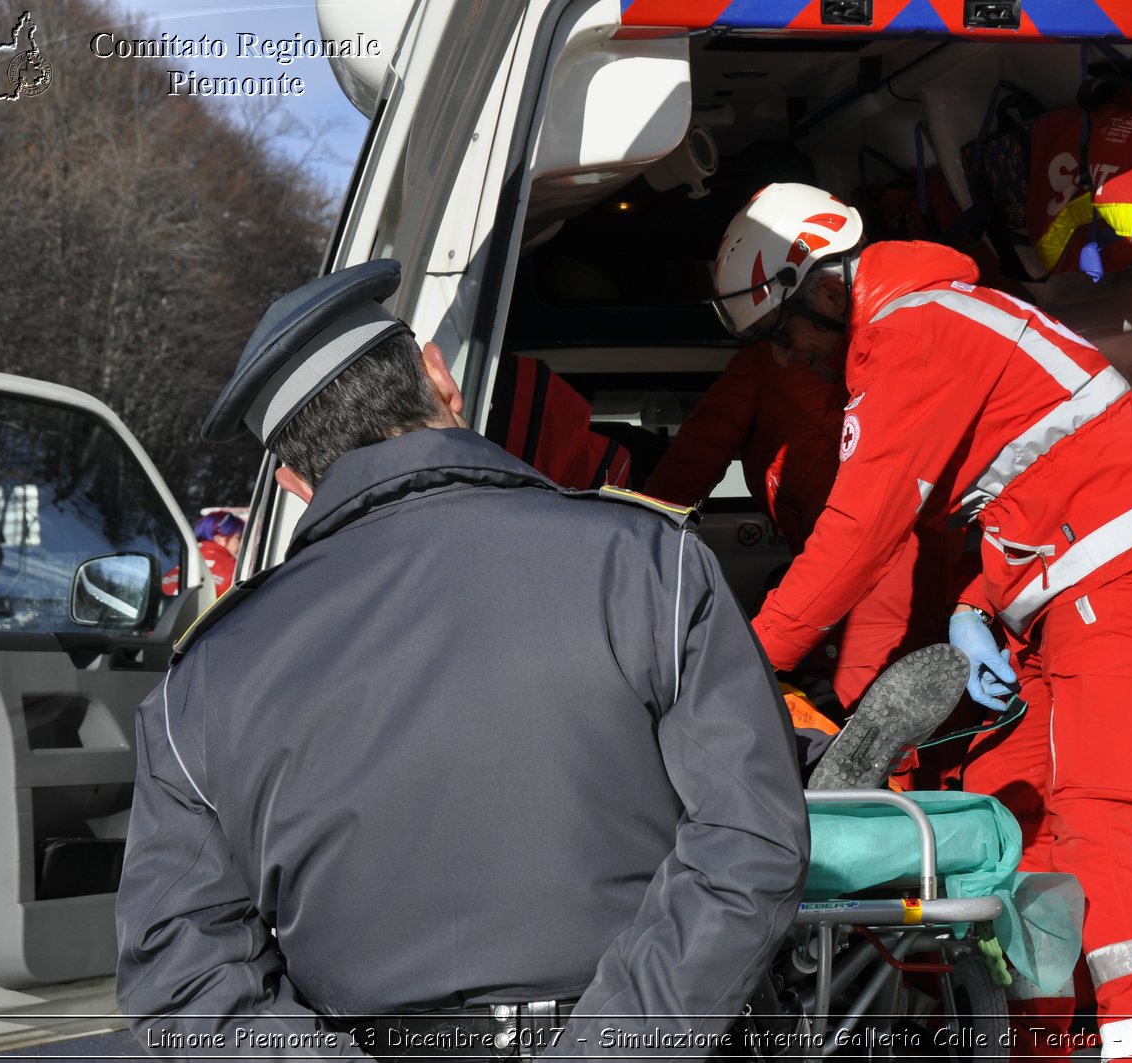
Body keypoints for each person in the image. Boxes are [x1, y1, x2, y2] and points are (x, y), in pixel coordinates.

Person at [115, 260, 811, 1060]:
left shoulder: (204, 677)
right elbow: (749, 839)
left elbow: (179, 964)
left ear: (295, 480)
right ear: (440, 377)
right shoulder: (649, 563)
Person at [710, 184, 1132, 1062]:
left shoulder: (915, 333)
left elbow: (858, 536)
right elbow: (1017, 478)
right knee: (1022, 817)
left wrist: (743, 663)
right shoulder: (919, 329)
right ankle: (1045, 1043)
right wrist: (980, 608)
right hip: (1060, 584)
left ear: (826, 289)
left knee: (1098, 819)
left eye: (782, 332)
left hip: (1118, 573)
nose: (786, 358)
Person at [642, 340, 961, 713]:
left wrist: (634, 553)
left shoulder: (765, 363)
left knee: (867, 739)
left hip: (858, 587)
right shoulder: (902, 346)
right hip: (954, 571)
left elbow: (681, 479)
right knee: (944, 734)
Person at [159, 511, 243, 599]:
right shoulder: (232, 570)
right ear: (219, 539)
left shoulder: (182, 564)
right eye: (238, 538)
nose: (242, 543)